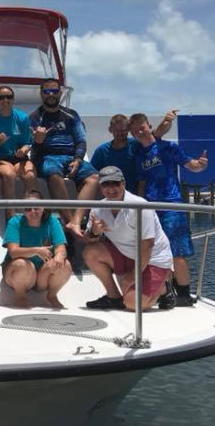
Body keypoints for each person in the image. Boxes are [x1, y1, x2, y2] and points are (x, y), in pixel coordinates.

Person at [129, 113, 208, 306]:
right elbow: (142, 181)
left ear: (149, 126)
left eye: (143, 127)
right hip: (150, 208)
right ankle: (167, 290)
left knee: (176, 251)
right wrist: (139, 204)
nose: (140, 131)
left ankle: (184, 294)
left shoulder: (168, 147)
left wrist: (200, 165)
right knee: (156, 251)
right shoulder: (138, 154)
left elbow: (191, 165)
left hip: (171, 205)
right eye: (136, 130)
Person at [83, 166, 177, 311]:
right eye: (106, 184)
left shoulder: (140, 206)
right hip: (125, 253)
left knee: (133, 304)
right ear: (100, 187)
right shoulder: (98, 209)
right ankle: (113, 297)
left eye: (115, 183)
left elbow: (148, 245)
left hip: (153, 258)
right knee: (90, 252)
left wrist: (131, 276)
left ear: (124, 184)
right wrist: (94, 232)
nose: (111, 188)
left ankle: (165, 288)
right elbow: (89, 241)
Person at [28, 78, 99, 236]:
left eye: (54, 91)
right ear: (41, 94)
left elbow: (81, 140)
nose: (51, 94)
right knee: (54, 175)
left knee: (94, 178)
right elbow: (32, 149)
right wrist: (38, 141)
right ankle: (70, 222)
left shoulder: (72, 115)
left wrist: (78, 159)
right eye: (47, 91)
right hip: (48, 156)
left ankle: (76, 220)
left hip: (71, 156)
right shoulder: (34, 117)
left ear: (60, 93)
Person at [1, 189, 71, 308]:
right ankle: (20, 296)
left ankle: (52, 295)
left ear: (43, 206)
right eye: (28, 208)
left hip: (41, 275)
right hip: (17, 271)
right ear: (23, 209)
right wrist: (37, 251)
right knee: (22, 264)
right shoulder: (15, 222)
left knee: (65, 265)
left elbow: (61, 248)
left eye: (36, 207)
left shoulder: (52, 221)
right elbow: (13, 252)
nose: (32, 211)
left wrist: (59, 256)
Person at [90, 112, 176, 194]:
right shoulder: (101, 151)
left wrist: (167, 119)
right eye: (117, 130)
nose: (120, 133)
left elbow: (156, 133)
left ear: (128, 130)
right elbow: (92, 176)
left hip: (137, 196)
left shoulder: (137, 144)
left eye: (123, 130)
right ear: (110, 130)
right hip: (112, 196)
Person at [0, 86, 37, 215]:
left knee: (30, 175)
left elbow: (28, 142)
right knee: (9, 175)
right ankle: (11, 217)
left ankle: (29, 214)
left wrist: (24, 149)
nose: (5, 100)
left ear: (13, 99)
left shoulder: (23, 118)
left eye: (9, 96)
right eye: (1, 97)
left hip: (19, 158)